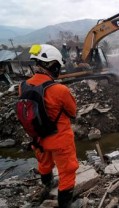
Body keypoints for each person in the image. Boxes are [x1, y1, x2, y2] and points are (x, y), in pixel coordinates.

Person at [19, 44, 79, 208]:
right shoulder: (59, 90)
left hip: (38, 138)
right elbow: (73, 112)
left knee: (44, 164)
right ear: (53, 65)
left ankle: (48, 185)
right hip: (60, 140)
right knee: (67, 171)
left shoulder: (22, 86)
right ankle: (65, 204)